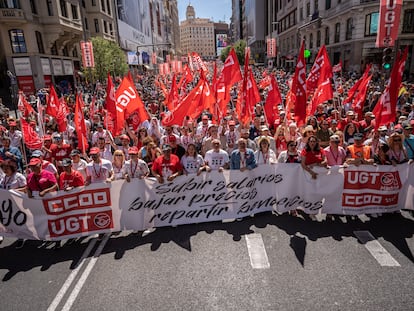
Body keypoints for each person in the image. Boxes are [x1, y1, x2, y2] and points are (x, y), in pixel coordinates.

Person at [0, 159, 26, 246]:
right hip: (7, 204)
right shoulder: (4, 177)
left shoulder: (19, 176)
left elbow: (26, 189)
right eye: (3, 168)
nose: (5, 170)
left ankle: (22, 237)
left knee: (20, 220)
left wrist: (14, 191)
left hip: (18, 203)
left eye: (7, 168)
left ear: (12, 168)